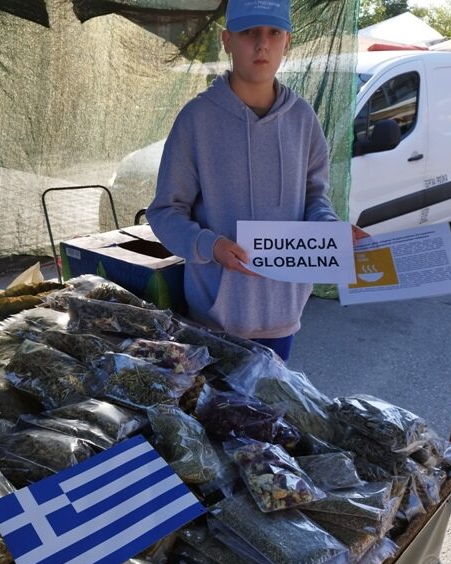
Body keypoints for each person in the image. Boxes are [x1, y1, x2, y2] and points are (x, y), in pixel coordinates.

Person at [146, 0, 351, 361]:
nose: (262, 45)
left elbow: (315, 198)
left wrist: (329, 231)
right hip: (213, 322)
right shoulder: (197, 120)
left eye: (273, 33)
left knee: (269, 414)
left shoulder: (303, 120)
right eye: (249, 32)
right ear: (227, 40)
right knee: (216, 415)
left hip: (284, 317)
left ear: (287, 41)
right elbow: (165, 212)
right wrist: (209, 245)